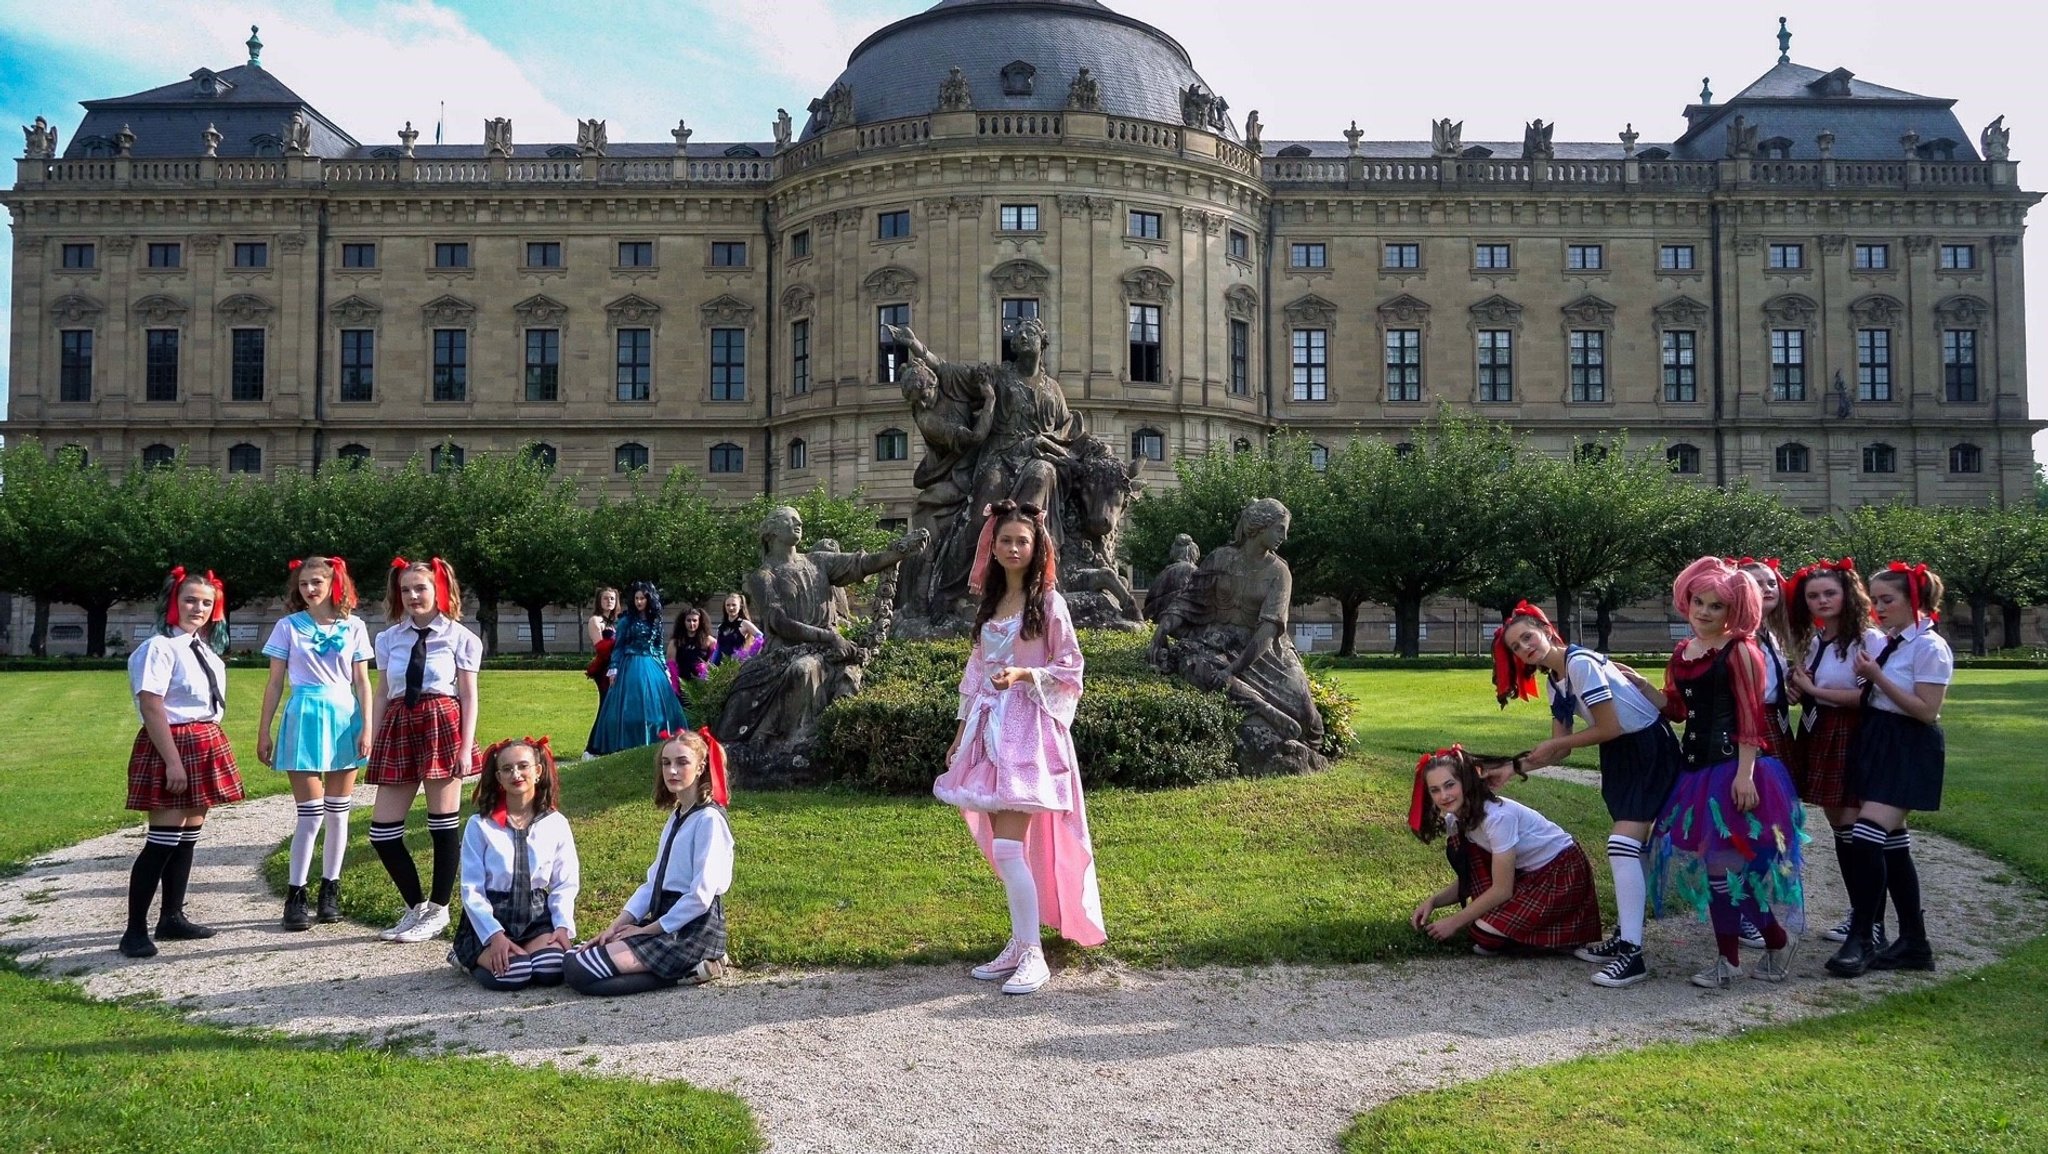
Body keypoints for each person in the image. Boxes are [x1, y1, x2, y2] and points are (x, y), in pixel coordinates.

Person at [932, 499, 1107, 995]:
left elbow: (1071, 666)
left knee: (1009, 846)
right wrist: (961, 730)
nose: (1012, 548)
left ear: (1036, 548)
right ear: (993, 545)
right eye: (1005, 540)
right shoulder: (989, 607)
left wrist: (1027, 673)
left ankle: (1033, 954)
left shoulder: (1049, 603)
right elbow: (973, 673)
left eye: (1022, 541)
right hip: (989, 735)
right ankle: (1020, 940)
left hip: (1028, 732)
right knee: (1008, 849)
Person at [1624, 557, 1807, 988]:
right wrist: (1643, 686)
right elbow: (1678, 709)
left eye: (1716, 606)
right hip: (1694, 775)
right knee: (1718, 872)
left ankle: (1756, 949)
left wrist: (1745, 775)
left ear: (1734, 611)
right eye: (1697, 602)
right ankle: (1752, 951)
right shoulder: (1683, 651)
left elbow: (1750, 718)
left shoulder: (1742, 650)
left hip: (1732, 772)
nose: (1703, 612)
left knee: (1726, 871)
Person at [1491, 599, 1680, 988]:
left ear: (1547, 632)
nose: (1525, 647)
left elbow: (1608, 727)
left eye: (1528, 637)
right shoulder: (1555, 680)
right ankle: (1629, 937)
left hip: (1646, 749)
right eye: (1516, 646)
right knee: (1632, 847)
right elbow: (1559, 747)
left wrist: (1552, 747)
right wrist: (1513, 768)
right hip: (1622, 754)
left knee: (1621, 844)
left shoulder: (1580, 664)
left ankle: (1632, 952)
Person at [1826, 562, 1952, 977]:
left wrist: (1876, 676)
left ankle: (1863, 934)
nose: (1878, 608)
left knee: (1866, 837)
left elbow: (1926, 711)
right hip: (1880, 738)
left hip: (1908, 744)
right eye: (1875, 599)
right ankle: (1914, 942)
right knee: (1893, 845)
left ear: (1913, 601)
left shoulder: (1929, 647)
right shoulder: (1893, 641)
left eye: (1887, 600)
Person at [119, 567, 243, 959]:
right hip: (171, 744)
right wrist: (172, 762)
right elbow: (151, 705)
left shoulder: (205, 651)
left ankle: (171, 916)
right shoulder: (159, 647)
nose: (199, 608)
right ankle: (134, 930)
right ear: (173, 602)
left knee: (187, 838)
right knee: (160, 843)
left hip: (204, 741)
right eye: (191, 600)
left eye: (207, 603)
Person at [366, 556, 483, 945]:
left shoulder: (461, 638)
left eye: (421, 588)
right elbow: (384, 691)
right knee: (383, 832)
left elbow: (468, 694)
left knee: (442, 824)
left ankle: (439, 908)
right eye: (405, 589)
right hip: (401, 725)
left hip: (441, 722)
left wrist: (466, 748)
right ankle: (415, 907)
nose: (413, 596)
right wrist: (373, 734)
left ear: (439, 591)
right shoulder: (388, 639)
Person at [566, 728, 733, 996]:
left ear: (701, 767)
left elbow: (700, 898)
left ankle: (692, 970)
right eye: (666, 763)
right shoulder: (679, 814)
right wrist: (616, 927)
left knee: (581, 971)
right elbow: (653, 882)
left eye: (682, 762)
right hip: (664, 917)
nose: (672, 771)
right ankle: (689, 968)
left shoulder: (709, 820)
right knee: (574, 958)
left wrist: (648, 931)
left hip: (692, 928)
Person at [256, 556, 374, 931]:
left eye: (317, 582)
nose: (310, 589)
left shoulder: (354, 626)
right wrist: (264, 730)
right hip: (303, 717)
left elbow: (362, 682)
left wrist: (367, 726)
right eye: (304, 583)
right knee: (309, 814)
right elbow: (275, 683)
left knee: (339, 812)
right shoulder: (287, 627)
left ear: (333, 584)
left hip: (343, 719)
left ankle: (330, 890)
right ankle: (296, 894)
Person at [1784, 559, 1889, 952]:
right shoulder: (1816, 640)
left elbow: (1871, 697)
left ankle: (1871, 920)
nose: (1822, 600)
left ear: (1848, 594)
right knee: (1839, 824)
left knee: (1854, 826)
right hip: (1820, 730)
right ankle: (1860, 914)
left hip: (1852, 731)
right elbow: (1813, 686)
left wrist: (1814, 692)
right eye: (1813, 596)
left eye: (1830, 593)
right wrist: (1798, 690)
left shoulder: (1867, 639)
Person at [1407, 746, 1603, 956]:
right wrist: (1434, 902)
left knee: (1485, 935)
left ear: (1465, 782)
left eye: (1450, 785)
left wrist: (1455, 922)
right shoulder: (1456, 819)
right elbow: (1471, 878)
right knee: (1482, 934)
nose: (1444, 796)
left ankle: (1565, 937)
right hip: (1527, 875)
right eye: (1435, 790)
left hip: (1561, 874)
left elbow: (1502, 889)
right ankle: (1524, 928)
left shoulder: (1497, 818)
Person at [449, 736, 579, 991]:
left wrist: (563, 926)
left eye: (523, 766)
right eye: (507, 769)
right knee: (513, 974)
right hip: (492, 916)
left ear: (538, 771)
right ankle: (465, 956)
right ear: (498, 777)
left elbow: (565, 883)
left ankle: (528, 952)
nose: (516, 774)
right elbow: (472, 890)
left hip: (535, 917)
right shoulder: (480, 825)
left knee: (552, 969)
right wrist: (494, 935)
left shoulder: (555, 823)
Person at [587, 581, 686, 755]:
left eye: (643, 598)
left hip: (652, 665)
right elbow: (618, 646)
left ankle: (657, 742)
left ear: (649, 599)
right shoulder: (626, 620)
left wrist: (664, 668)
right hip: (629, 665)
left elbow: (658, 647)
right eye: (637, 598)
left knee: (655, 708)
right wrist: (614, 668)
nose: (639, 602)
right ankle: (625, 743)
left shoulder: (655, 620)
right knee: (627, 708)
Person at [669, 605, 715, 686]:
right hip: (682, 683)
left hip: (702, 683)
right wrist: (675, 686)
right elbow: (671, 664)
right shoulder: (675, 641)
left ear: (700, 622)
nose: (692, 623)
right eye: (688, 620)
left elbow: (716, 658)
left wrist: (705, 668)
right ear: (683, 622)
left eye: (694, 620)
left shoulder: (709, 640)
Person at [713, 593, 763, 665]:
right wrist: (711, 666)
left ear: (740, 606)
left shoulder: (744, 623)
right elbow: (717, 649)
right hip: (720, 667)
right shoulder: (721, 626)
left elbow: (760, 637)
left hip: (736, 666)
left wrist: (750, 655)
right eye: (728, 605)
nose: (731, 608)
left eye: (734, 605)